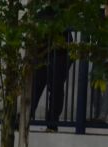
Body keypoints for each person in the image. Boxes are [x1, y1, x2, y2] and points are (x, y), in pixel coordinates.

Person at [30, 2, 73, 132]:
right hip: (45, 54)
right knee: (37, 85)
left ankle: (52, 121)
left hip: (59, 54)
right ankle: (29, 116)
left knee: (55, 87)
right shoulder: (43, 12)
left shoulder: (63, 12)